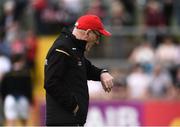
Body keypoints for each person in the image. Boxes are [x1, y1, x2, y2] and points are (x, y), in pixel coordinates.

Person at [44, 14, 114, 126]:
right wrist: (74, 106)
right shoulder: (62, 48)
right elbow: (51, 83)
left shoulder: (73, 47)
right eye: (98, 36)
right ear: (88, 33)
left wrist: (102, 73)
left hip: (70, 121)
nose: (97, 42)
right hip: (63, 122)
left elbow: (87, 68)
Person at [0, 54, 33, 126]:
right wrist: (31, 101)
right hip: (23, 99)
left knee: (10, 121)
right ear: (21, 60)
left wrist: (4, 98)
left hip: (10, 98)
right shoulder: (26, 74)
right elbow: (29, 89)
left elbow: (3, 88)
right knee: (24, 122)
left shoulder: (7, 74)